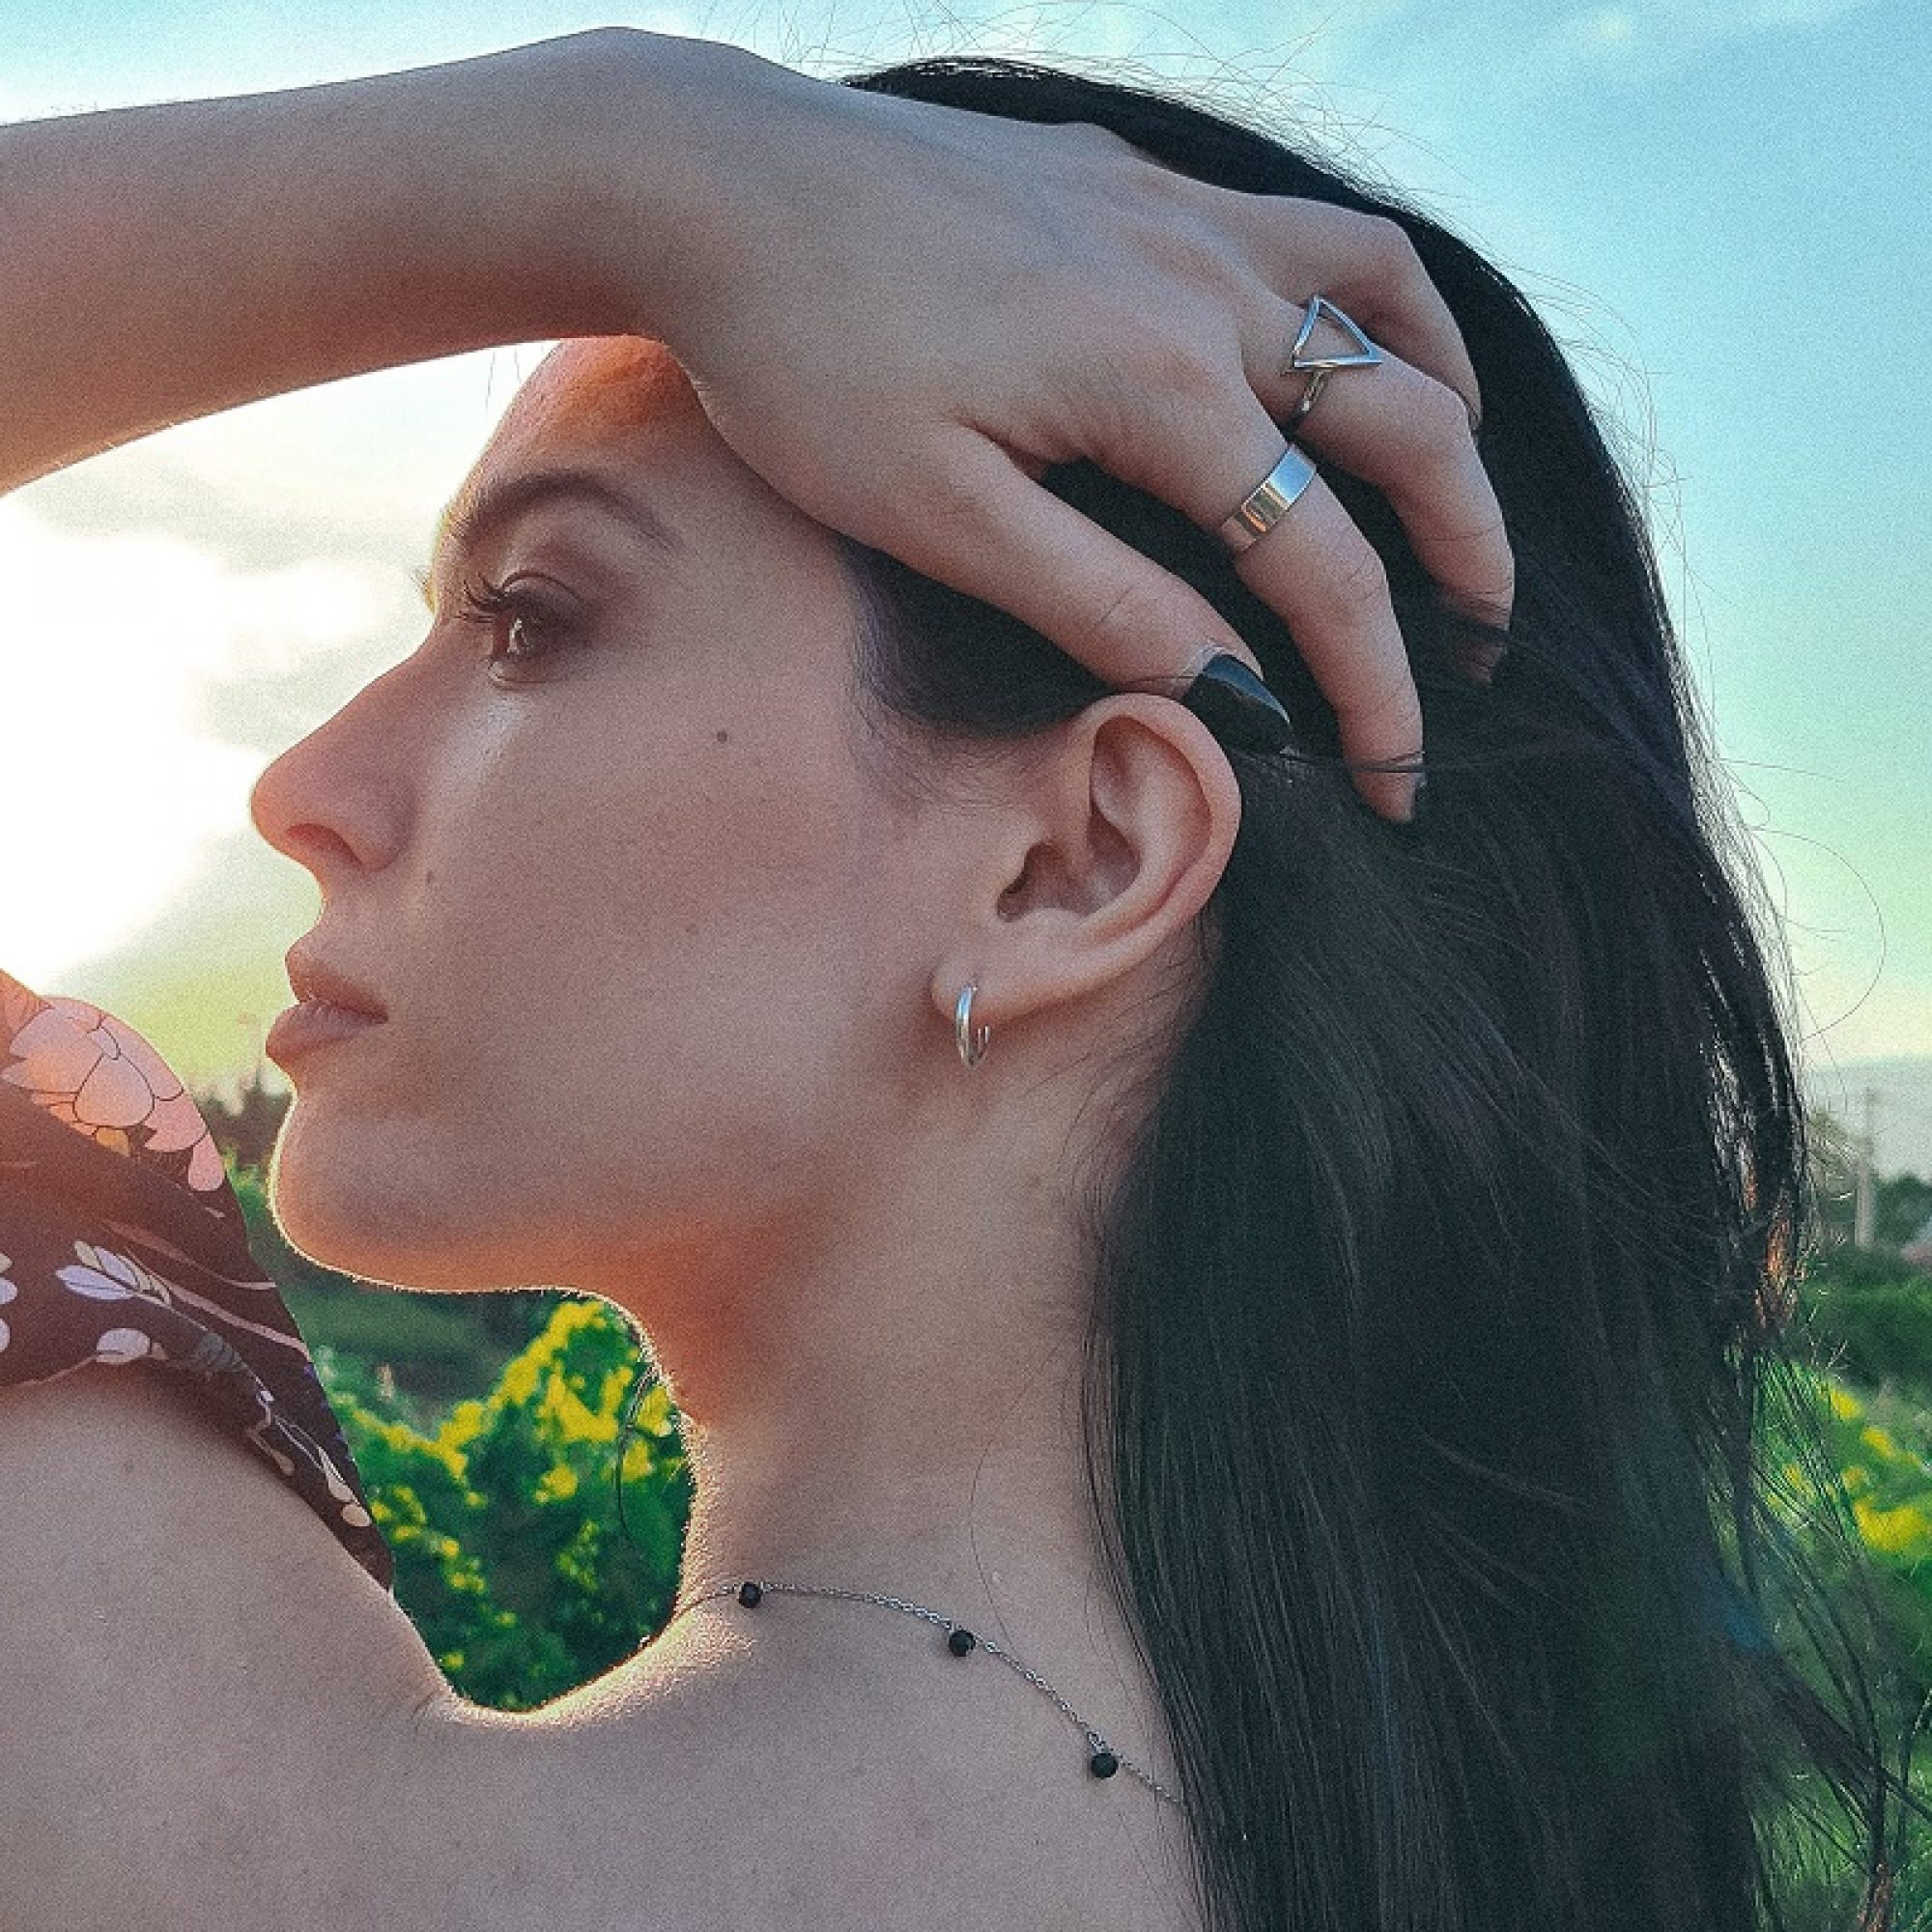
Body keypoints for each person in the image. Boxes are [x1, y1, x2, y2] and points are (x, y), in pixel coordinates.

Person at [0, 30, 1918, 1932]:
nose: (305, 787)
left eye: (532, 618)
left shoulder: (235, 1840)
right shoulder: (1426, 1844)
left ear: (1067, 863)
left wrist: (609, 148)